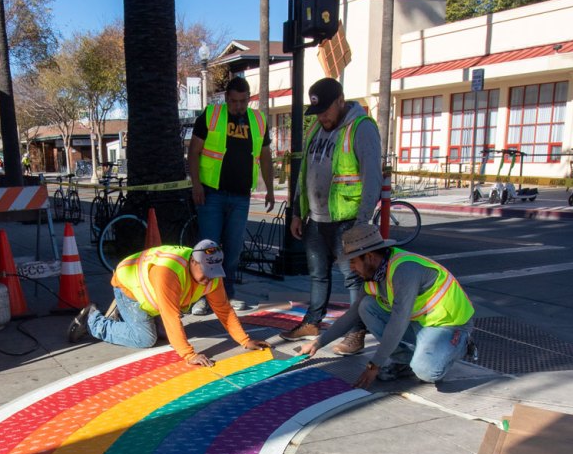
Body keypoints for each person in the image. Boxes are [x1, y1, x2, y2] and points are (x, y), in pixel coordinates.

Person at [306, 223, 476, 387]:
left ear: (370, 257)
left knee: (427, 371)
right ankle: (405, 361)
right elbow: (351, 316)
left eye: (353, 261)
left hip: (448, 325)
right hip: (420, 323)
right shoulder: (373, 276)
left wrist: (375, 364)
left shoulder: (405, 270)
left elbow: (398, 322)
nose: (351, 268)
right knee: (365, 306)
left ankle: (461, 344)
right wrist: (318, 343)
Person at [67, 239, 265, 368]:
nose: (209, 279)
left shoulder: (212, 273)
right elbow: (171, 316)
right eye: (205, 273)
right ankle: (93, 320)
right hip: (129, 288)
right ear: (193, 263)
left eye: (213, 273)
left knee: (166, 335)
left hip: (156, 296)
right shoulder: (168, 273)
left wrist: (244, 340)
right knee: (145, 339)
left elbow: (224, 309)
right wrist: (188, 355)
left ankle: (127, 318)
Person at [287, 77, 382, 347]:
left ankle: (357, 330)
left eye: (326, 111)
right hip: (316, 219)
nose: (322, 117)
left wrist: (362, 222)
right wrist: (297, 212)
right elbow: (304, 173)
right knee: (318, 274)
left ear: (340, 100)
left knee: (353, 278)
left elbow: (372, 177)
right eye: (317, 112)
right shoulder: (315, 128)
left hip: (347, 220)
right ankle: (312, 322)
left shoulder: (361, 128)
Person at [187, 75, 275, 310]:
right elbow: (193, 152)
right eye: (234, 101)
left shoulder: (258, 120)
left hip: (240, 196)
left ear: (249, 99)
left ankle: (226, 295)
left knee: (234, 248)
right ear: (226, 98)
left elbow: (265, 157)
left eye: (243, 101)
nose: (239, 106)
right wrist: (196, 184)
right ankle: (204, 296)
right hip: (211, 194)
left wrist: (270, 189)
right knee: (208, 248)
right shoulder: (212, 115)